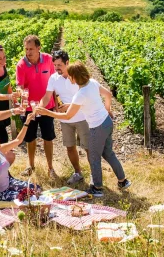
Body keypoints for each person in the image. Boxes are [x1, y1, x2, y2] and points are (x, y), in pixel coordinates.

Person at [34, 61, 131, 198]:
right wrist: (107, 110)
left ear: (75, 77)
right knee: (108, 153)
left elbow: (67, 115)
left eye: (70, 76)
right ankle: (123, 181)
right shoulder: (92, 83)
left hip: (97, 127)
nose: (69, 78)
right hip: (107, 122)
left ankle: (97, 188)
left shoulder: (80, 94)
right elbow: (108, 94)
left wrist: (47, 113)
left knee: (94, 156)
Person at [39, 50, 89, 185]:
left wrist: (70, 106)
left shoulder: (77, 76)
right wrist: (39, 107)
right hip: (65, 119)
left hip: (82, 116)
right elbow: (47, 96)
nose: (56, 68)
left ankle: (95, 175)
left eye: (59, 65)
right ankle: (78, 172)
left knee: (88, 147)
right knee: (70, 146)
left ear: (67, 62)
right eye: (55, 65)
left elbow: (85, 95)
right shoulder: (53, 78)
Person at [16, 35, 58, 179]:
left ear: (39, 48)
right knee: (30, 138)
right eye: (26, 49)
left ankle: (50, 168)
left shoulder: (48, 59)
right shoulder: (21, 64)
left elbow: (54, 82)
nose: (28, 52)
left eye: (31, 49)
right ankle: (31, 165)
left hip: (47, 106)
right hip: (29, 108)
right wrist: (21, 93)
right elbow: (19, 86)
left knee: (48, 137)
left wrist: (57, 103)